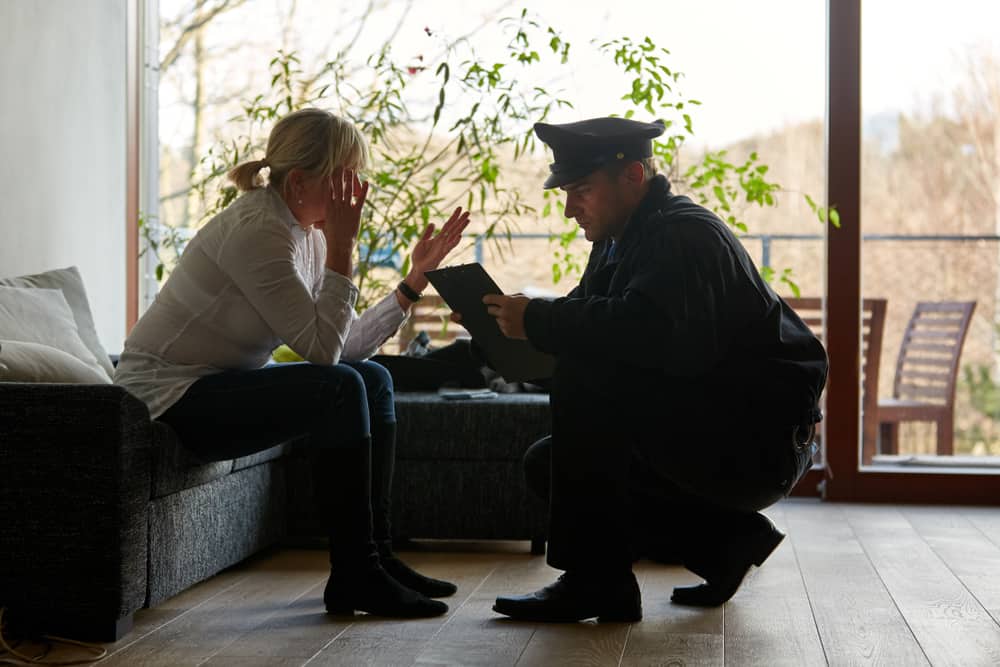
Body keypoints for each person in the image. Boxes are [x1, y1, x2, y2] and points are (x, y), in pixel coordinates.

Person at [115, 108, 471, 619]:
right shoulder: (260, 231)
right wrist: (344, 245)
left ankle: (377, 558)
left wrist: (413, 281)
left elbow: (342, 348)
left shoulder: (306, 231)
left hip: (224, 385)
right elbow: (324, 356)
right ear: (301, 181)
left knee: (371, 379)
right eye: (346, 178)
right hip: (167, 397)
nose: (358, 191)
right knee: (343, 387)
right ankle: (355, 575)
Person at [482, 116, 828, 622]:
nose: (568, 207)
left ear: (633, 177)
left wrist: (539, 317)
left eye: (581, 190)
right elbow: (584, 323)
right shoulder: (619, 239)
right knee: (548, 464)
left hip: (760, 441)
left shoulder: (683, 236)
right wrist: (498, 330)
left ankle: (596, 582)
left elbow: (638, 333)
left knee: (585, 370)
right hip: (711, 422)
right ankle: (726, 545)